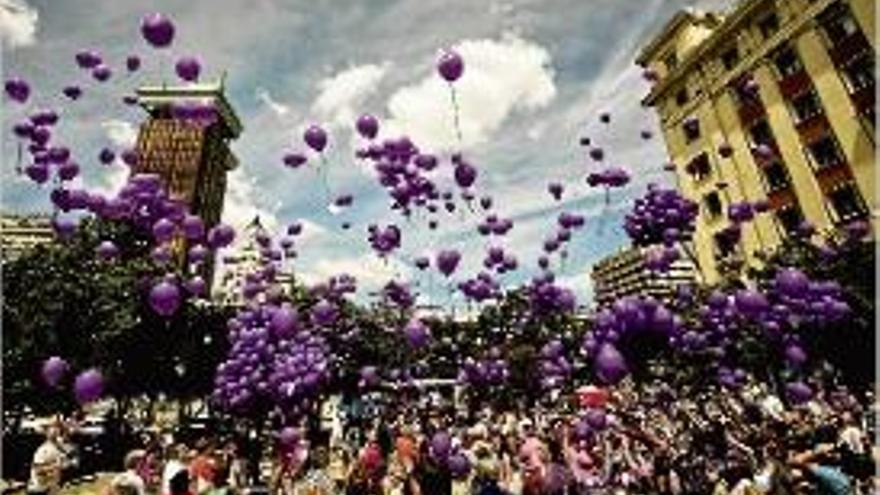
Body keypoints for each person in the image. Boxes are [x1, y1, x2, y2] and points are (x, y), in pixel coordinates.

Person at [27, 425, 67, 495]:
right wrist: (55, 467)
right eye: (57, 435)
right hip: (39, 490)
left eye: (60, 434)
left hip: (50, 487)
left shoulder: (58, 449)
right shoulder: (44, 450)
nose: (61, 439)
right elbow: (38, 469)